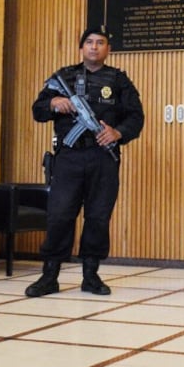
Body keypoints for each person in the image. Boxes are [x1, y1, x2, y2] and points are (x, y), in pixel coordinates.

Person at [25, 28, 145, 297]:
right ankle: (49, 276)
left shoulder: (118, 80)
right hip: (69, 157)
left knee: (98, 217)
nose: (94, 47)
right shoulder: (63, 77)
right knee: (59, 215)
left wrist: (118, 132)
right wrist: (55, 102)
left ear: (108, 49)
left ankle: (90, 275)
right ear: (81, 48)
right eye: (89, 43)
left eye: (100, 43)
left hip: (103, 157)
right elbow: (38, 110)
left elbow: (136, 117)